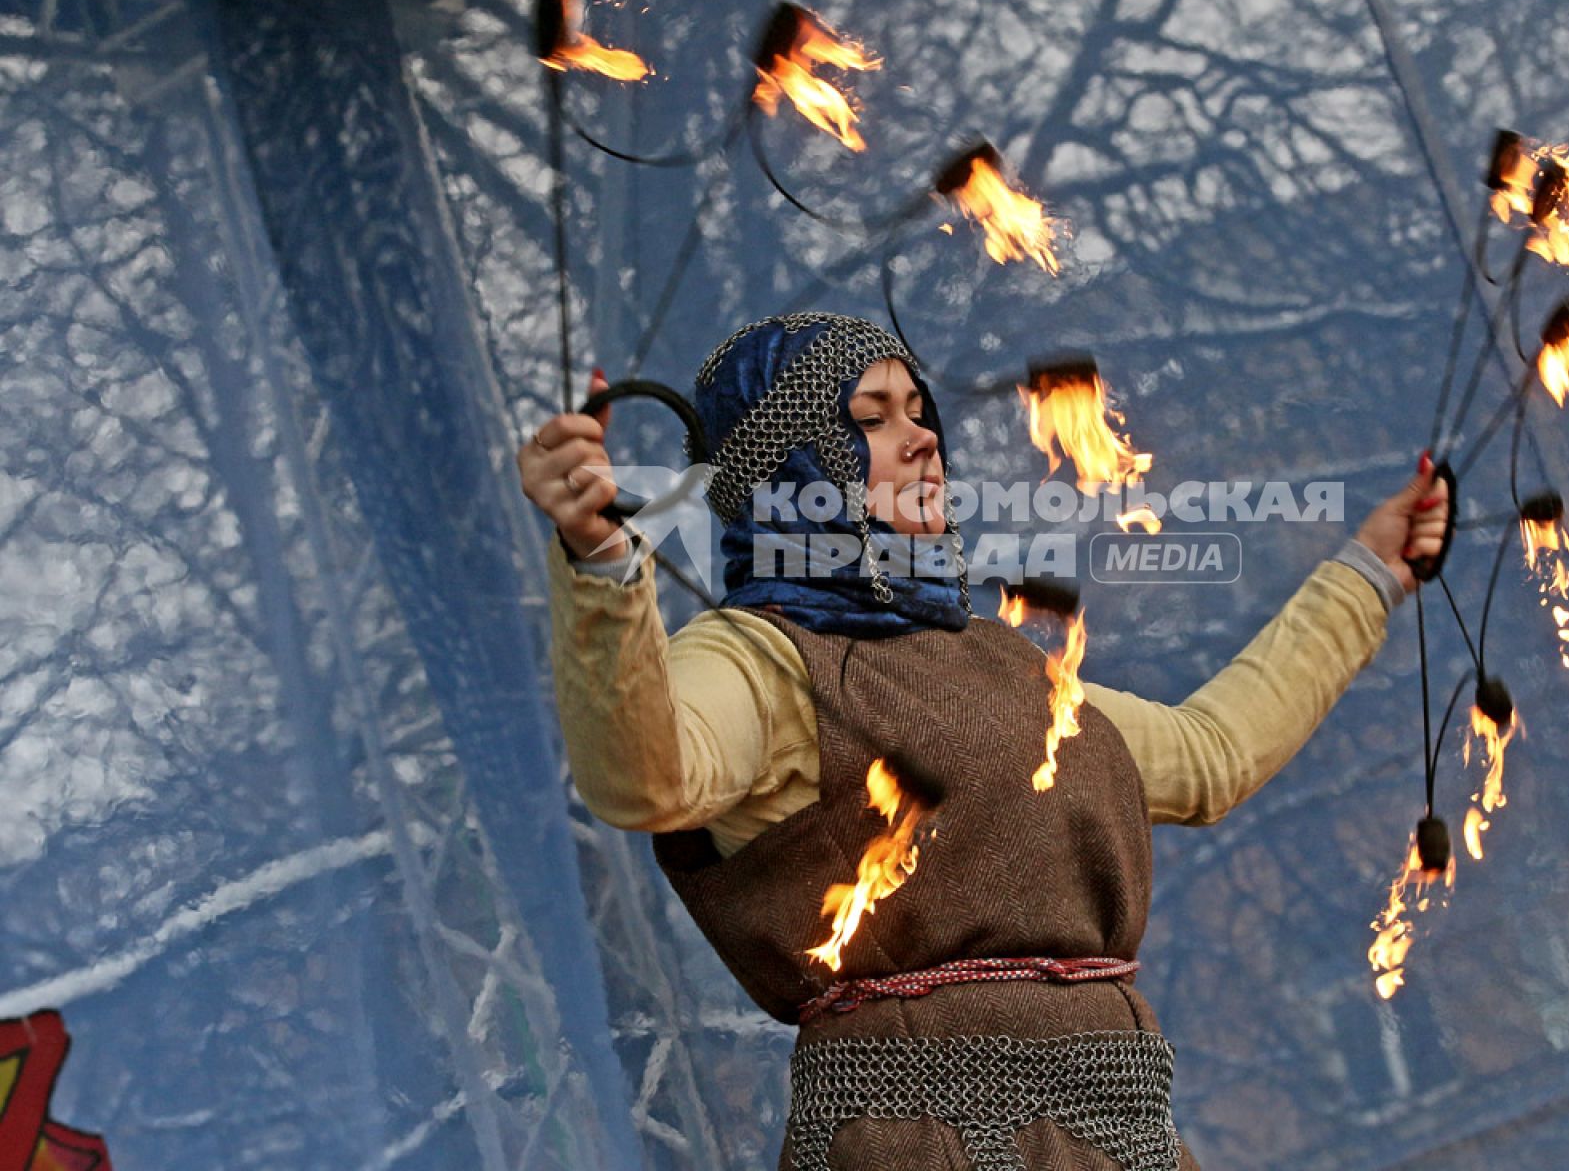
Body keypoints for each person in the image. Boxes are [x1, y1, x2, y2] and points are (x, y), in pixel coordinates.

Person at [518, 312, 1448, 1170]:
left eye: (919, 410)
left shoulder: (999, 662)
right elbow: (645, 779)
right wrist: (603, 567)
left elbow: (1210, 754)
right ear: (791, 465)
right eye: (872, 417)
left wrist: (1369, 570)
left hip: (1114, 1136)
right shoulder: (761, 658)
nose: (923, 436)